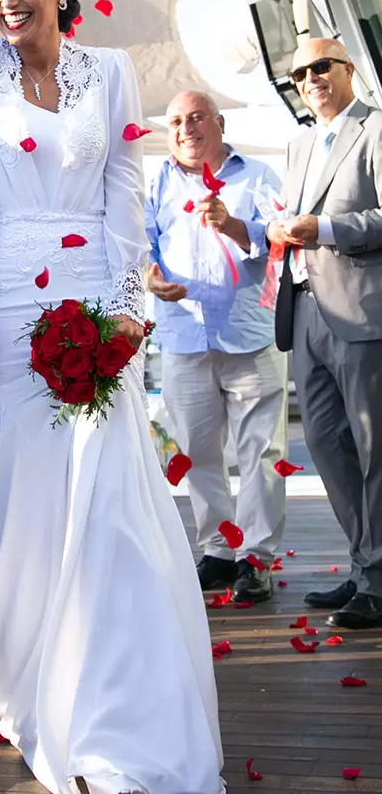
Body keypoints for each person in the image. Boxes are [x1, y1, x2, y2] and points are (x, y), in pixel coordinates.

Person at [0, 0, 223, 794]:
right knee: (21, 483)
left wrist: (129, 313)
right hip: (11, 298)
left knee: (107, 484)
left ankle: (105, 689)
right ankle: (19, 667)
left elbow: (125, 193)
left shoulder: (116, 72)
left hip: (98, 288)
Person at [145, 91, 287, 604]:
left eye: (197, 117)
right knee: (198, 452)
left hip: (249, 333)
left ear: (219, 123)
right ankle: (218, 550)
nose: (186, 129)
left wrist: (231, 224)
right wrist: (151, 278)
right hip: (184, 337)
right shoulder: (156, 181)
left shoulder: (258, 176)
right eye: (176, 120)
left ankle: (256, 557)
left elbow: (282, 244)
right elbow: (144, 247)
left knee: (261, 452)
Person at [271, 38, 382, 630]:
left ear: (348, 70)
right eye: (299, 73)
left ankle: (375, 577)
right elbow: (297, 219)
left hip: (361, 313)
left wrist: (328, 227)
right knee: (324, 446)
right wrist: (282, 228)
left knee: (374, 450)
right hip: (305, 312)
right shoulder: (299, 143)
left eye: (321, 66)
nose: (310, 78)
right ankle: (368, 565)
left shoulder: (377, 129)